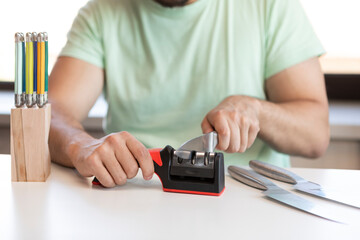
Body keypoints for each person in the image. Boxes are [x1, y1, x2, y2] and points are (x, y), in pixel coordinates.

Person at [49, 0, 329, 187]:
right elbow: (51, 113)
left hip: (250, 196)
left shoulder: (269, 6)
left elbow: (315, 133)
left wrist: (257, 111)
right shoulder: (103, 11)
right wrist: (79, 145)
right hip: (134, 198)